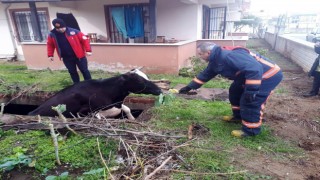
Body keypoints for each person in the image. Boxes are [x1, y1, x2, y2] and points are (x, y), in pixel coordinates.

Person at [179, 42, 283, 137]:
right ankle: (238, 117)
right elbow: (206, 74)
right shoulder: (216, 59)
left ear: (208, 52)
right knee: (235, 91)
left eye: (200, 54)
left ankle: (251, 130)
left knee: (250, 100)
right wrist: (189, 87)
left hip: (267, 75)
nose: (200, 57)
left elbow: (254, 69)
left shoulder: (228, 56)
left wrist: (251, 91)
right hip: (248, 76)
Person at [47, 18, 92, 83]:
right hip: (66, 58)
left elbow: (85, 40)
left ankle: (89, 84)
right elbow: (50, 45)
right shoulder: (52, 34)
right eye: (58, 28)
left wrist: (88, 50)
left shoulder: (74, 32)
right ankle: (76, 86)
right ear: (55, 28)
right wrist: (50, 55)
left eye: (62, 27)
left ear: (65, 26)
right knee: (72, 72)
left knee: (84, 70)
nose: (60, 29)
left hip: (79, 57)